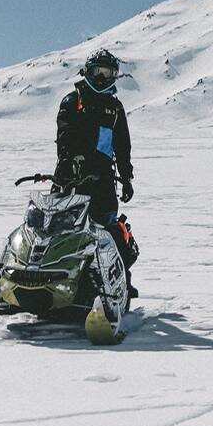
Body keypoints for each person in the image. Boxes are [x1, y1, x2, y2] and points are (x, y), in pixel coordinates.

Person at [55, 49, 138, 295]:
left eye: (108, 73)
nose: (102, 78)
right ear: (87, 72)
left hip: (103, 181)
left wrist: (126, 178)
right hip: (70, 178)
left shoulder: (115, 108)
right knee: (57, 229)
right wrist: (69, 163)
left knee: (109, 232)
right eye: (98, 72)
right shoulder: (72, 102)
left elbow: (122, 147)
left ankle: (121, 283)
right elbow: (64, 136)